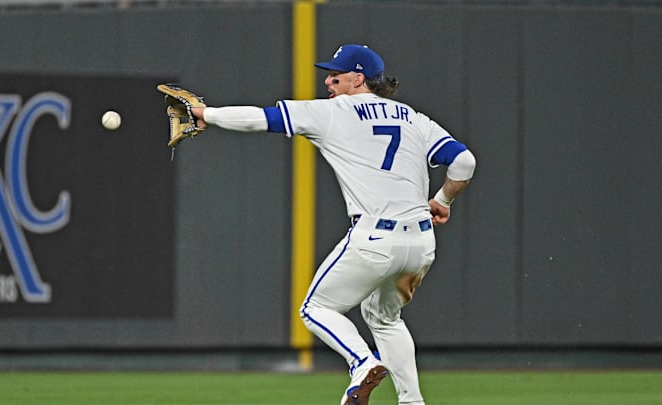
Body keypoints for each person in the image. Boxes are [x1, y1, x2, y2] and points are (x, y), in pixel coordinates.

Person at [189, 44, 476, 405]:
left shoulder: (333, 111)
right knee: (384, 318)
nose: (327, 81)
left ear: (358, 79)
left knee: (316, 309)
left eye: (335, 75)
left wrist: (207, 114)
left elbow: (261, 119)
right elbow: (464, 162)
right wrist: (443, 200)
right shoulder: (413, 118)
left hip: (375, 238)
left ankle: (361, 363)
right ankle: (412, 401)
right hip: (421, 242)